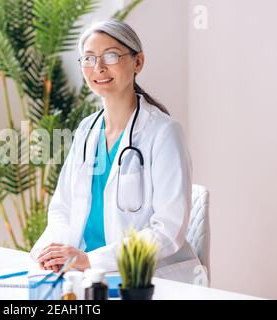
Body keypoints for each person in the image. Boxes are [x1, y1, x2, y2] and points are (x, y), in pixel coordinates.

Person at [30, 20, 206, 284]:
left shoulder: (164, 132)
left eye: (111, 55)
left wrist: (92, 260)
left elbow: (168, 231)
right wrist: (55, 253)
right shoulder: (86, 130)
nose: (98, 67)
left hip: (147, 278)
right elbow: (62, 208)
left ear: (138, 62)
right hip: (87, 275)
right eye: (89, 58)